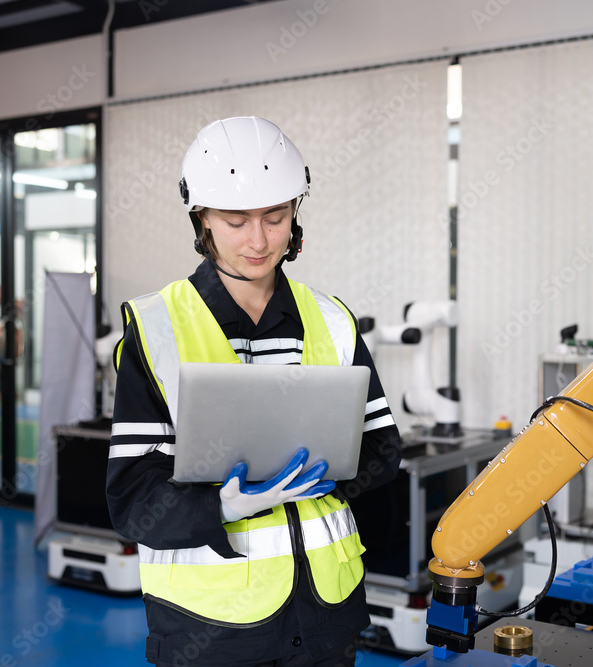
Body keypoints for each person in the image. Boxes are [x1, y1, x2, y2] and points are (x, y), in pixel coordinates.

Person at [106, 116, 402, 667]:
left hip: (326, 616)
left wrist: (324, 473)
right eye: (236, 220)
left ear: (296, 213)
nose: (260, 240)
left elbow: (383, 449)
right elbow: (133, 500)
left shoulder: (332, 319)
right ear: (202, 219)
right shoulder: (156, 327)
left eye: (275, 217)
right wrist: (221, 504)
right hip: (212, 630)